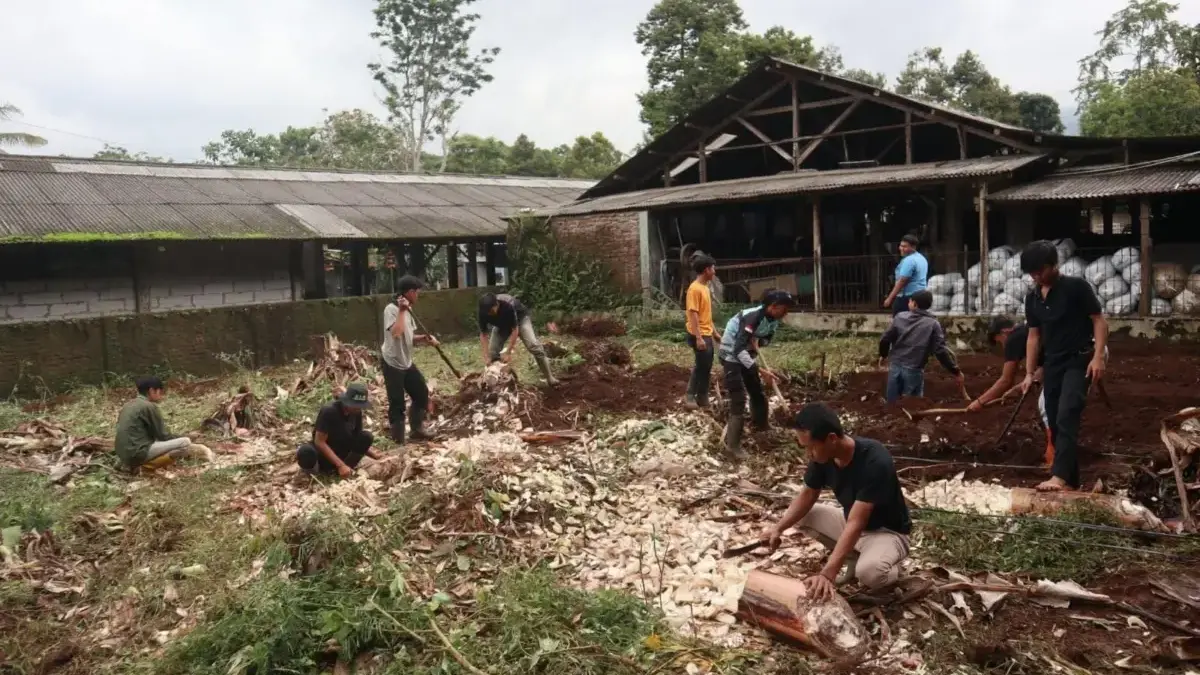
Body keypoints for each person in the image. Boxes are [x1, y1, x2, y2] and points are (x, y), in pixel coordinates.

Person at [763, 404, 911, 598]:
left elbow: (857, 522)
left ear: (832, 439)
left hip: (887, 533)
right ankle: (853, 557)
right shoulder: (823, 458)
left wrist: (827, 574)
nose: (809, 454)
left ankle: (894, 569)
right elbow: (807, 495)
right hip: (852, 524)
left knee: (870, 575)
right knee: (805, 515)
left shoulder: (875, 461)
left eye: (811, 447)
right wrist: (778, 528)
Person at [1018, 240, 1108, 492]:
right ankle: (1070, 481)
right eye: (1032, 273)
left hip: (1079, 360)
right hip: (1053, 363)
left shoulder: (1076, 287)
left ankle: (1058, 476)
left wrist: (1098, 356)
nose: (1037, 277)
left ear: (1054, 265)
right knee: (1055, 419)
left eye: (1041, 271)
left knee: (1069, 411)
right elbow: (1034, 336)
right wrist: (1028, 372)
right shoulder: (1033, 298)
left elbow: (1099, 322)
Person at [717, 289, 795, 458]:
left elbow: (765, 340)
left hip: (746, 353)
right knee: (739, 398)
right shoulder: (752, 318)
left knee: (756, 391)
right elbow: (737, 350)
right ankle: (733, 447)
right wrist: (759, 370)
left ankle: (762, 425)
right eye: (784, 308)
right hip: (731, 355)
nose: (786, 312)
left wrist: (757, 342)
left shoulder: (773, 319)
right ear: (773, 307)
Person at [969, 317, 1052, 465]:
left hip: (1074, 359)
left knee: (1047, 407)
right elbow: (1045, 366)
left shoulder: (1014, 338)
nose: (1002, 345)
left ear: (1005, 332)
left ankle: (1053, 455)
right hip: (1085, 351)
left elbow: (1005, 380)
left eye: (1000, 341)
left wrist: (979, 402)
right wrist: (1018, 388)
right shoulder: (1025, 332)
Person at [878, 290, 964, 404]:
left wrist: (883, 355)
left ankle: (890, 418)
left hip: (895, 366)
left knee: (892, 403)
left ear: (914, 304)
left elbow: (885, 339)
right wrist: (955, 371)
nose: (908, 302)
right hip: (914, 370)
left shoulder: (899, 317)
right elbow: (940, 351)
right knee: (913, 404)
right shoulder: (933, 324)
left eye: (910, 301)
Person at [381, 276, 438, 444]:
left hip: (406, 361)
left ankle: (417, 429)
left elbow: (408, 336)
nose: (418, 296)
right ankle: (398, 438)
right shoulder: (391, 310)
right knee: (397, 401)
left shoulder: (409, 311)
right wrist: (401, 310)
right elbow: (396, 333)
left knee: (421, 393)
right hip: (392, 362)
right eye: (417, 292)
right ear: (410, 292)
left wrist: (424, 339)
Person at [114, 376, 212, 472]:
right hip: (138, 453)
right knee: (185, 442)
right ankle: (144, 468)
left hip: (122, 454)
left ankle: (125, 464)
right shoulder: (149, 406)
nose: (161, 395)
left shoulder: (127, 405)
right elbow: (163, 436)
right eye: (160, 392)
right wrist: (186, 436)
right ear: (152, 391)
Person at [295, 383, 393, 478]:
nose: (358, 408)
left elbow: (357, 436)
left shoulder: (356, 412)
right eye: (355, 405)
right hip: (323, 455)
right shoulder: (329, 411)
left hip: (342, 451)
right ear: (346, 401)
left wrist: (374, 455)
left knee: (366, 436)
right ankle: (315, 476)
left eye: (360, 405)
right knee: (305, 452)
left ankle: (346, 469)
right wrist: (340, 465)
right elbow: (319, 442)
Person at [478, 292, 557, 385]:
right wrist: (486, 356)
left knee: (534, 346)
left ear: (497, 305)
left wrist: (508, 353)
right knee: (492, 353)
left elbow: (515, 330)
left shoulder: (507, 306)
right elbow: (483, 335)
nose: (488, 314)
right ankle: (499, 381)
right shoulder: (483, 312)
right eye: (486, 312)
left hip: (521, 320)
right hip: (501, 325)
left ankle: (550, 378)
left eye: (491, 311)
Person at [684, 254, 717, 409]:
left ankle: (702, 396)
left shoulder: (704, 288)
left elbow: (706, 313)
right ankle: (690, 397)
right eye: (713, 268)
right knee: (700, 366)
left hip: (706, 333)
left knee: (707, 366)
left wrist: (714, 332)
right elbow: (693, 314)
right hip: (699, 335)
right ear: (706, 270)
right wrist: (698, 338)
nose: (714, 271)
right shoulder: (694, 289)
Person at [883, 235, 928, 316]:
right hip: (921, 295)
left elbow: (902, 281)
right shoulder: (921, 258)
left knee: (900, 322)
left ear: (913, 247)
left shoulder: (909, 260)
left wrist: (890, 298)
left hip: (907, 297)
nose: (901, 249)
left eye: (905, 246)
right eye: (901, 246)